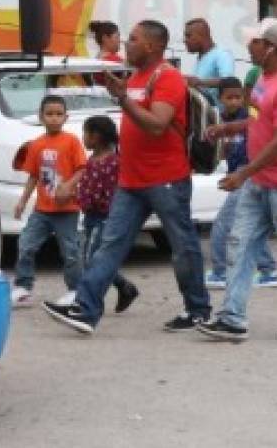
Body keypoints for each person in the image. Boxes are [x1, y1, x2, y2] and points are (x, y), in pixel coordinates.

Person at [43, 20, 210, 336]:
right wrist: (123, 95)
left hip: (166, 179)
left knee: (183, 246)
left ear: (151, 45)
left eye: (132, 39)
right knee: (110, 246)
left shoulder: (167, 77)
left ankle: (197, 309)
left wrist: (123, 99)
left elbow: (158, 124)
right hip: (131, 180)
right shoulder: (136, 76)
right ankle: (85, 309)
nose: (126, 44)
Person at [196, 18, 277, 343]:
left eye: (254, 42)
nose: (248, 47)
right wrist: (230, 128)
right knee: (240, 246)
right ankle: (232, 319)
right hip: (261, 181)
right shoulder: (262, 79)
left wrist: (243, 173)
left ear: (270, 49)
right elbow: (258, 122)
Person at [11, 95, 88, 308]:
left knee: (70, 252)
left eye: (59, 114)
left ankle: (75, 290)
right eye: (49, 114)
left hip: (67, 209)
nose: (54, 118)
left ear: (66, 117)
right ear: (41, 117)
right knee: (26, 244)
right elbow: (34, 176)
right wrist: (23, 201)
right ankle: (23, 287)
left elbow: (82, 169)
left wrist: (69, 186)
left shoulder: (72, 141)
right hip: (42, 210)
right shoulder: (36, 145)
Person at [205, 78, 277, 290]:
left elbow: (257, 130)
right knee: (250, 226)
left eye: (238, 97)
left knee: (223, 224)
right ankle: (268, 270)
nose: (235, 102)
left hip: (248, 173)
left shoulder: (248, 117)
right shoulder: (218, 118)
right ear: (219, 99)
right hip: (242, 174)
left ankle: (221, 272)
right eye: (229, 98)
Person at [77, 115, 139, 314]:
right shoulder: (93, 159)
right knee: (95, 258)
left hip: (103, 217)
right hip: (90, 216)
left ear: (95, 136)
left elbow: (108, 192)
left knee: (91, 260)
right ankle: (123, 287)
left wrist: (88, 201)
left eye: (85, 133)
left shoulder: (112, 162)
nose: (83, 138)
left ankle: (88, 302)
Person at [183, 18, 234, 106]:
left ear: (202, 35)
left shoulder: (222, 55)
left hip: (216, 116)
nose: (185, 40)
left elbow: (229, 82)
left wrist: (200, 82)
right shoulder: (201, 56)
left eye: (188, 36)